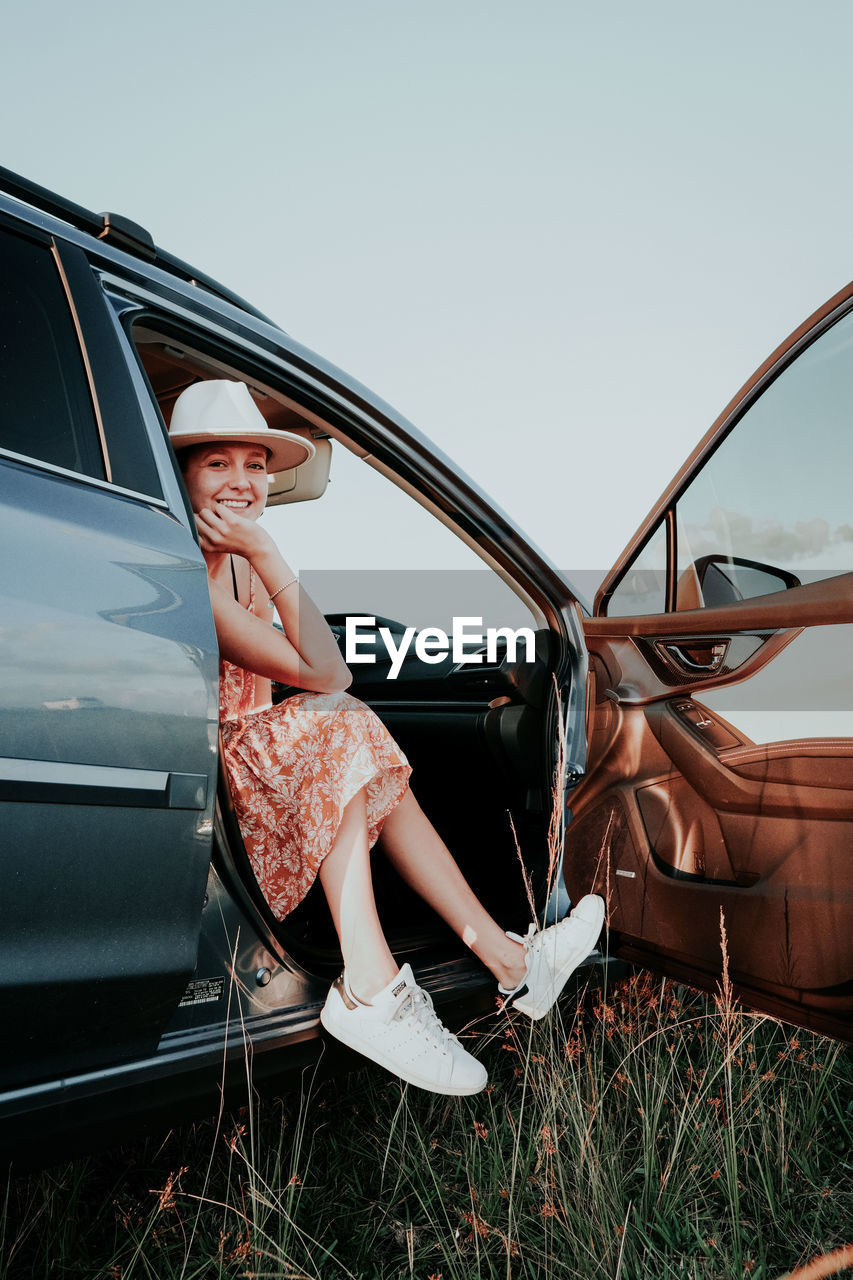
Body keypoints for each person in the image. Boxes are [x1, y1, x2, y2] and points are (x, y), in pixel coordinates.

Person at [169, 378, 605, 1097]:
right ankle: (372, 990)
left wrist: (257, 556)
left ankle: (510, 962)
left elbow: (312, 672)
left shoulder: (237, 561)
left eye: (254, 463)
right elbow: (325, 670)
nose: (242, 481)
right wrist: (270, 552)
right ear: (182, 473)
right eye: (217, 463)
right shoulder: (190, 569)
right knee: (339, 719)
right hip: (211, 783)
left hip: (251, 765)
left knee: (359, 747)